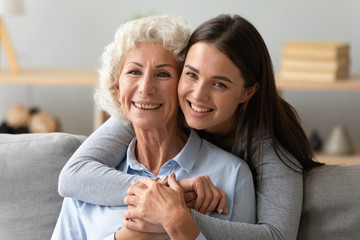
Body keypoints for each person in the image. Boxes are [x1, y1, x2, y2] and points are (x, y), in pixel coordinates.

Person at [58, 14, 323, 239]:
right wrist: (165, 193)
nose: (197, 95)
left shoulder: (258, 152)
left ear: (247, 92)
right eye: (192, 75)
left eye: (219, 84)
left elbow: (276, 236)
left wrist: (177, 216)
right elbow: (72, 176)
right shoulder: (140, 114)